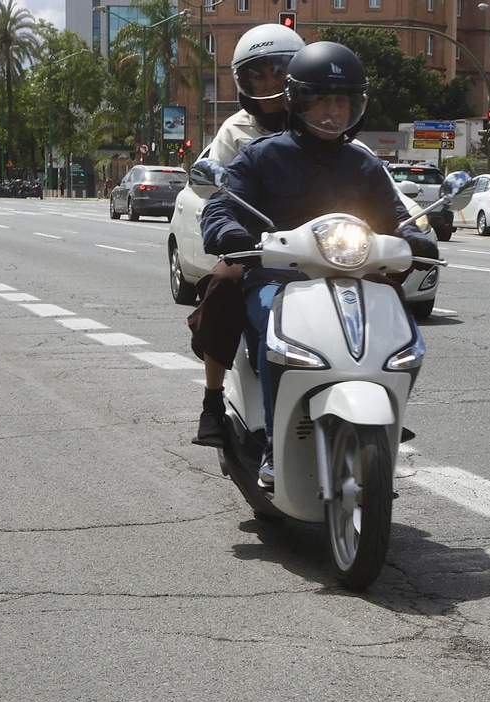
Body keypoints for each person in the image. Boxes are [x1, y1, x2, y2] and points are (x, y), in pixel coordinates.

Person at [198, 41, 438, 489]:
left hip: (350, 273)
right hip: (278, 276)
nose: (333, 111)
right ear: (298, 101)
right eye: (322, 99)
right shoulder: (261, 155)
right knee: (274, 321)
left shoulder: (363, 163)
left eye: (343, 101)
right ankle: (273, 438)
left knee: (398, 322)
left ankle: (384, 408)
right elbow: (221, 206)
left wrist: (416, 235)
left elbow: (396, 216)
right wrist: (229, 230)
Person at [188, 23, 306, 449]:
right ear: (243, 81)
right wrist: (231, 231)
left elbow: (360, 168)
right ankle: (213, 400)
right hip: (254, 245)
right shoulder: (236, 130)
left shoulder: (321, 121)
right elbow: (211, 188)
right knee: (223, 285)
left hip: (320, 244)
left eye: (278, 72)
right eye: (257, 75)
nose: (268, 83)